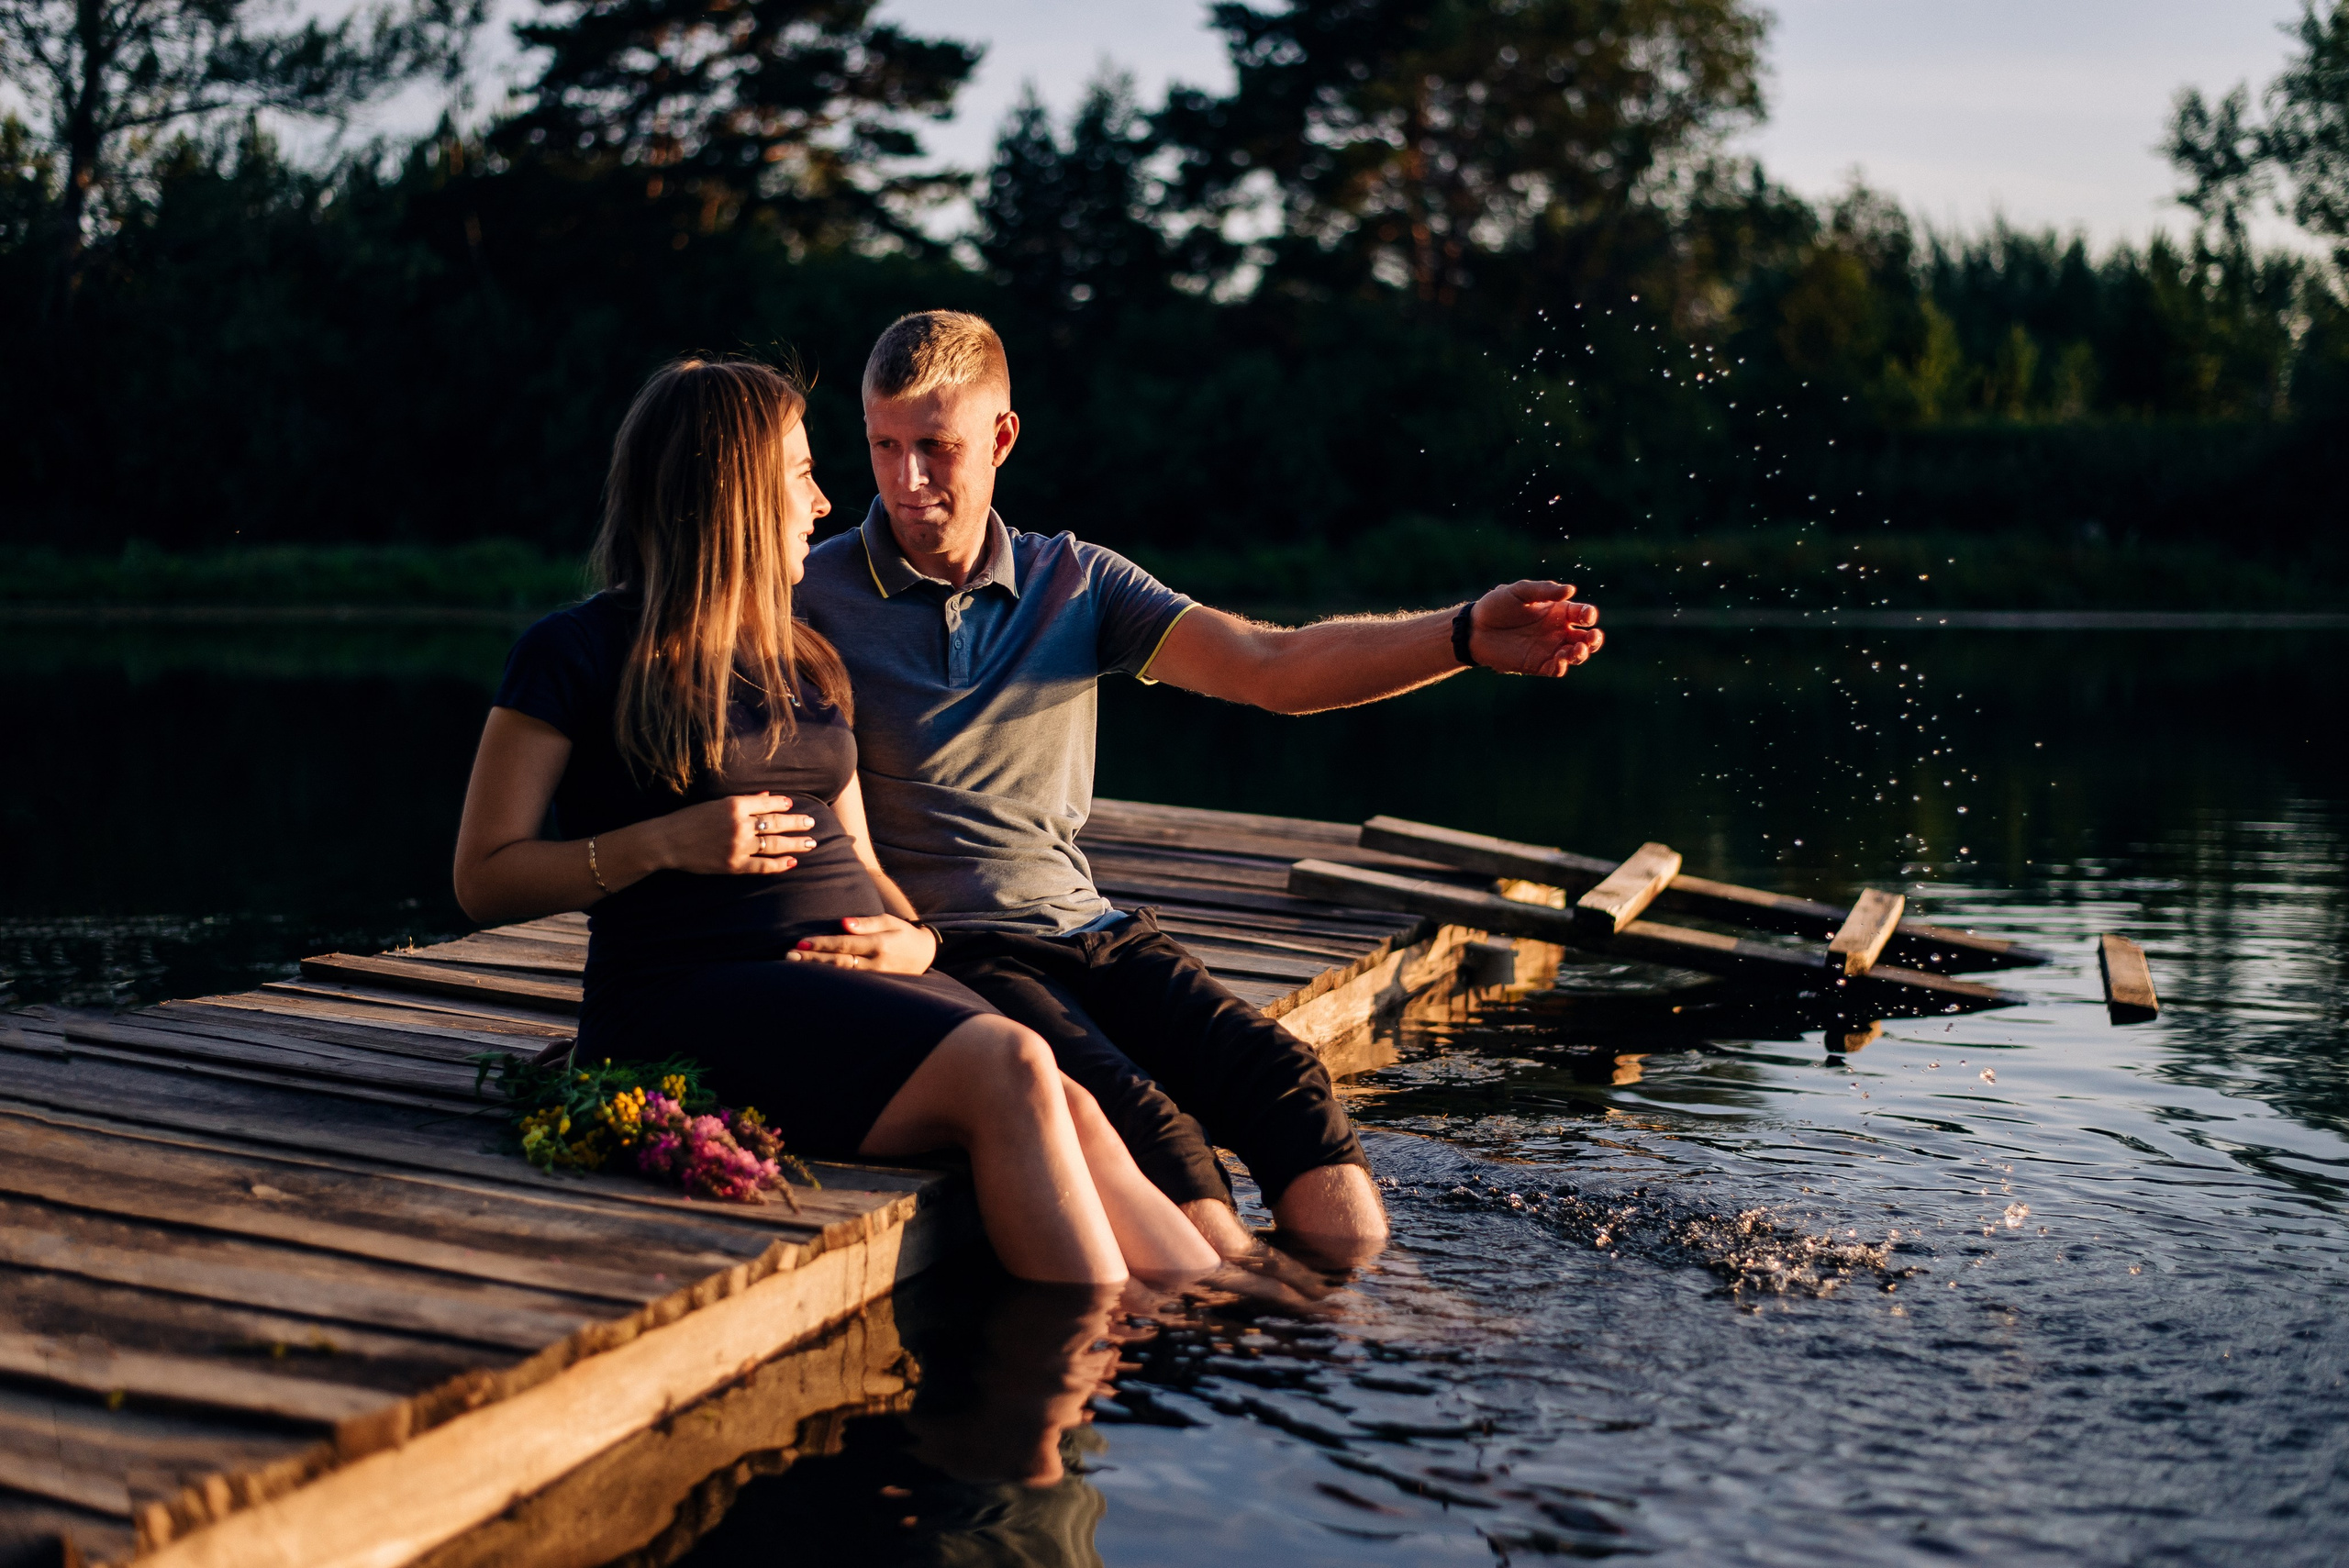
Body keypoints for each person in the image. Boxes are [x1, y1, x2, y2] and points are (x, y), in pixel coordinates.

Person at [792, 312, 1606, 1262]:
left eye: (936, 447)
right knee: (1153, 1128)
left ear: (1003, 437)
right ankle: (1309, 1338)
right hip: (956, 948)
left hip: (1089, 928)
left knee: (1284, 1079)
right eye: (884, 446)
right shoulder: (808, 587)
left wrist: (1460, 636)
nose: (905, 481)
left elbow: (1271, 665)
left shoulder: (1076, 582)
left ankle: (1362, 1319)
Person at [450, 355, 1219, 1288]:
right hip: (686, 995)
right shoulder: (574, 652)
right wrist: (663, 843)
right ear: (733, 492)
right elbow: (484, 874)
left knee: (1071, 1095)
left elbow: (856, 853)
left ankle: (1232, 1312)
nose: (822, 505)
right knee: (1013, 1064)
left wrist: (918, 937)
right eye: (802, 475)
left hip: (856, 985)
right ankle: (1080, 1365)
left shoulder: (805, 656)